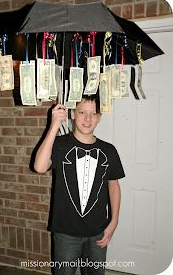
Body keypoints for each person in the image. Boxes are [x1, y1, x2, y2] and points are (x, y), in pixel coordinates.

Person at [34, 94, 125, 275]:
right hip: (66, 232)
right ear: (73, 114)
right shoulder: (60, 145)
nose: (88, 118)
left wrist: (114, 221)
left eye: (93, 113)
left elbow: (113, 185)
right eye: (82, 112)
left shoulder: (109, 150)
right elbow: (39, 167)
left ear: (99, 117)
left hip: (98, 230)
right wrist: (54, 126)